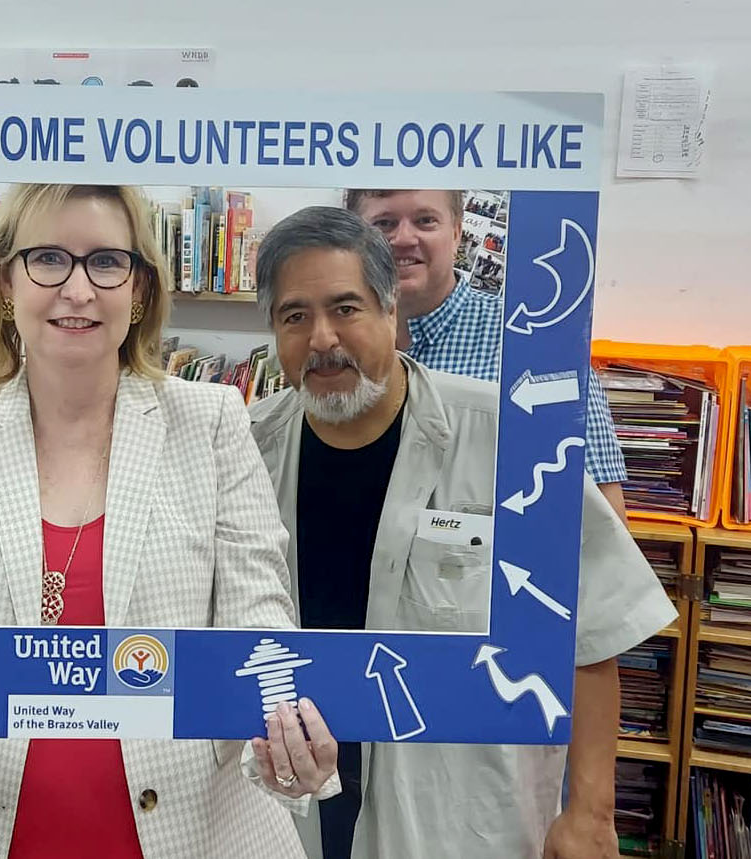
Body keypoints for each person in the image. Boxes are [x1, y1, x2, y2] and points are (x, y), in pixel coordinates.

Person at [0, 183, 340, 859]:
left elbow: (260, 624)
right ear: (6, 282)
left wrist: (285, 740)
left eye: (106, 262)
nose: (77, 289)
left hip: (194, 833)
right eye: (48, 258)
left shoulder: (213, 422)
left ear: (137, 291)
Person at [246, 206, 677, 859]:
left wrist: (589, 810)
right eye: (295, 316)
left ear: (394, 314)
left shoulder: (510, 441)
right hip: (287, 797)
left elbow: (592, 633)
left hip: (456, 808)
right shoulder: (243, 450)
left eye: (347, 308)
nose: (322, 338)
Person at [343, 189, 630, 520]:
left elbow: (603, 526)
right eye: (384, 223)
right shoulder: (332, 346)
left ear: (456, 233)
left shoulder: (535, 347)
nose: (404, 238)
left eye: (425, 220)